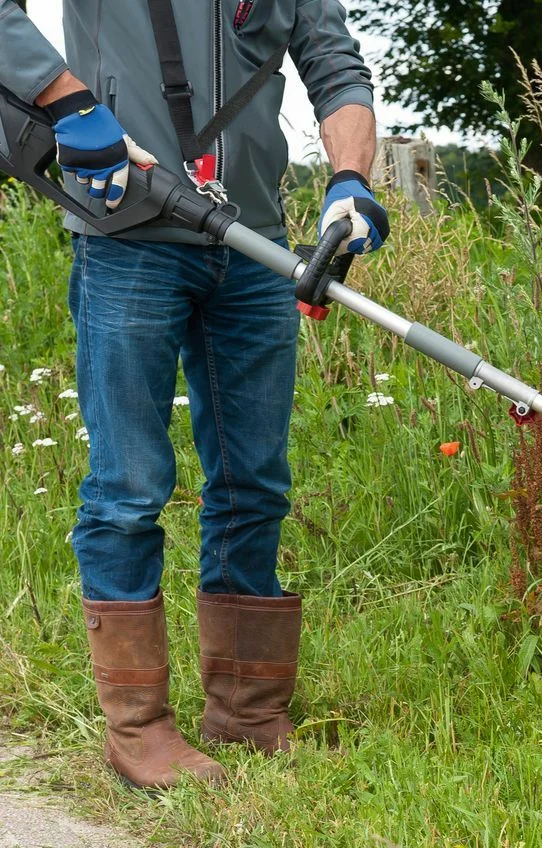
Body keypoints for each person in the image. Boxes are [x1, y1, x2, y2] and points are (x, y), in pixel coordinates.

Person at [0, 0, 389, 789]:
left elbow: (338, 68)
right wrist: (67, 100)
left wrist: (350, 181)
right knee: (128, 487)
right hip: (128, 238)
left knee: (255, 481)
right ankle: (137, 728)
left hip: (256, 249)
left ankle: (246, 710)